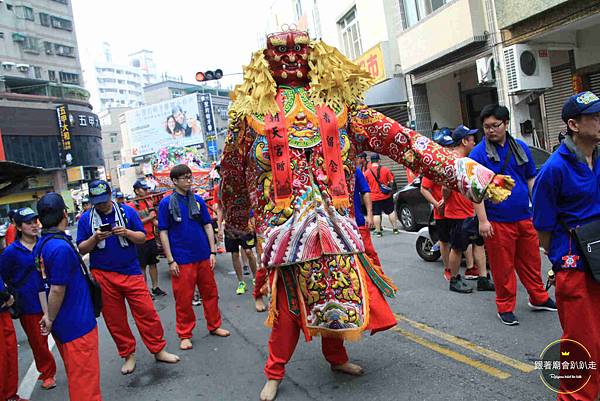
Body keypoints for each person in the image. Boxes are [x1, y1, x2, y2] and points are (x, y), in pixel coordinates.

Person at [219, 29, 514, 401]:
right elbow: (231, 175)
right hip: (285, 227)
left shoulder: (340, 106)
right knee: (290, 305)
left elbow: (405, 142)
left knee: (334, 299)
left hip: (337, 225)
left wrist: (472, 176)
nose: (291, 58)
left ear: (314, 55)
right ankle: (274, 371)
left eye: (299, 50)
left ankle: (336, 355)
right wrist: (238, 219)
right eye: (281, 52)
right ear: (266, 59)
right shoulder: (249, 115)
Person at [532, 91, 600, 401]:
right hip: (574, 264)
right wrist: (560, 259)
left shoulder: (597, 157)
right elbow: (543, 229)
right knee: (581, 342)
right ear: (573, 124)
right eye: (594, 117)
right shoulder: (554, 170)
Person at [77, 180, 179, 375]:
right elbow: (81, 249)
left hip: (131, 271)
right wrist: (95, 238)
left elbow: (142, 237)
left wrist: (127, 232)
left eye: (105, 201)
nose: (102, 205)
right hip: (103, 274)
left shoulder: (127, 212)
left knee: (147, 312)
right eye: (97, 202)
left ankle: (158, 349)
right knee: (115, 320)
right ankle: (128, 354)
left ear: (111, 197)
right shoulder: (85, 220)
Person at [470, 104, 556, 325]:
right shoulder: (478, 153)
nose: (490, 130)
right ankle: (504, 306)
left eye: (495, 125)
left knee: (531, 261)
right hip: (497, 221)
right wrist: (483, 221)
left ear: (506, 124)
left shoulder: (520, 147)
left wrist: (537, 208)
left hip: (524, 217)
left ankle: (539, 297)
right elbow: (475, 189)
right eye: (486, 126)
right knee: (503, 267)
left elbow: (530, 178)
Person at [34, 192, 101, 401]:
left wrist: (48, 316)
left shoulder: (43, 244)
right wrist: (50, 318)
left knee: (79, 376)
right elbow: (56, 289)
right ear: (64, 213)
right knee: (85, 382)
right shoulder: (59, 247)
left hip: (66, 324)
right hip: (77, 324)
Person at [158, 164, 230, 352]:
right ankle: (184, 334)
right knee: (184, 298)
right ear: (174, 181)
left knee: (210, 292)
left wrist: (213, 251)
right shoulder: (166, 203)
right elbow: (163, 232)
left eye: (190, 177)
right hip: (181, 259)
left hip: (203, 255)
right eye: (185, 178)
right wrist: (170, 259)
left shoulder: (197, 200)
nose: (189, 180)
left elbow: (207, 225)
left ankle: (215, 325)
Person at [0, 208, 57, 391]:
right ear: (18, 226)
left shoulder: (44, 244)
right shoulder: (11, 252)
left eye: (35, 221)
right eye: (28, 222)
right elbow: (3, 276)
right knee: (38, 343)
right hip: (29, 305)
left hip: (52, 299)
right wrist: (10, 296)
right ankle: (47, 374)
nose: (34, 225)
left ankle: (73, 368)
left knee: (63, 336)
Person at [445, 125, 495, 293]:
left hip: (471, 210)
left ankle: (482, 278)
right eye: (471, 138)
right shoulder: (452, 161)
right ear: (464, 141)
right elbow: (445, 187)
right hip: (458, 212)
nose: (474, 141)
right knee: (458, 247)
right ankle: (454, 279)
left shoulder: (468, 160)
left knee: (478, 243)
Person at [420, 128, 454, 280]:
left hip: (458, 210)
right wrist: (436, 203)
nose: (449, 149)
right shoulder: (433, 168)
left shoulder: (457, 163)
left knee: (464, 242)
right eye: (446, 147)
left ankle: (471, 268)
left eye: (451, 146)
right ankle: (448, 268)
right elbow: (423, 188)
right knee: (445, 242)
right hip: (441, 212)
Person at [130, 179, 166, 298]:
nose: (146, 191)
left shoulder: (148, 202)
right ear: (136, 191)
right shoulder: (131, 206)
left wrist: (165, 228)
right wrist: (149, 218)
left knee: (153, 263)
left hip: (151, 238)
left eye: (146, 189)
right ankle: (145, 290)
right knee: (142, 266)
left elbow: (154, 220)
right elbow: (134, 224)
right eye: (143, 189)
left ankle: (155, 287)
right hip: (140, 240)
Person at [365, 153, 399, 237]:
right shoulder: (386, 170)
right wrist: (389, 188)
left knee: (376, 214)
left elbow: (365, 186)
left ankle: (378, 232)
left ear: (371, 162)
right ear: (379, 160)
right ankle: (395, 229)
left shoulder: (367, 172)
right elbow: (391, 182)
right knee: (391, 211)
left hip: (374, 198)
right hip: (386, 196)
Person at [354, 161, 380, 266]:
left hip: (357, 220)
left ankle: (379, 278)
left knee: (369, 253)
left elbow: (365, 191)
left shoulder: (354, 171)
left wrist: (369, 214)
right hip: (334, 223)